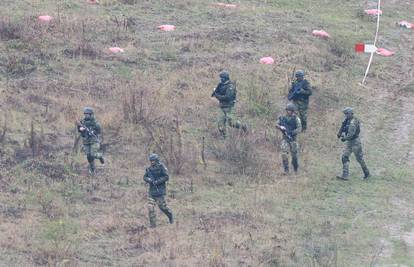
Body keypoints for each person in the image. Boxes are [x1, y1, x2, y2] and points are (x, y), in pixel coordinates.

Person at [336, 107, 370, 180]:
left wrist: (344, 138)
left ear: (351, 113)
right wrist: (339, 133)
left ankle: (367, 173)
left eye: (347, 113)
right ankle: (345, 175)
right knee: (344, 157)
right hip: (349, 143)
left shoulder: (353, 122)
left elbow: (351, 134)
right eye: (345, 114)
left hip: (355, 143)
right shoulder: (347, 120)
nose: (346, 115)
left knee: (359, 159)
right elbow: (343, 126)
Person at [211, 70, 247, 138]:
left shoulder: (230, 86)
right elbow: (217, 93)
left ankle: (243, 126)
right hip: (222, 106)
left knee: (231, 123)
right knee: (220, 123)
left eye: (222, 78)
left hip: (229, 107)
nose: (221, 79)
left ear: (225, 78)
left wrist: (217, 95)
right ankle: (223, 137)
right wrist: (215, 91)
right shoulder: (221, 85)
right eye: (220, 78)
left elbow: (227, 97)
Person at [143, 153, 173, 228]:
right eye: (151, 161)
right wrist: (149, 180)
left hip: (160, 191)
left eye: (153, 160)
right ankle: (153, 226)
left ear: (156, 160)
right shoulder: (149, 169)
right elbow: (144, 177)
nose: (152, 162)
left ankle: (170, 215)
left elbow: (166, 177)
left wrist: (158, 181)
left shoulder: (162, 167)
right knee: (150, 208)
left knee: (163, 207)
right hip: (152, 192)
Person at [77, 107, 104, 175]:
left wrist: (92, 131)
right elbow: (79, 129)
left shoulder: (95, 122)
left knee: (93, 154)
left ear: (91, 114)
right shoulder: (82, 122)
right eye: (85, 114)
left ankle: (100, 156)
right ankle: (92, 169)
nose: (86, 115)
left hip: (94, 141)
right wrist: (81, 129)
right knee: (89, 156)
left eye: (88, 114)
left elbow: (99, 131)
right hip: (86, 142)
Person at [276, 103, 302, 174]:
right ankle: (286, 170)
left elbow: (299, 129)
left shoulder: (296, 119)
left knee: (294, 156)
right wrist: (281, 127)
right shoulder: (282, 118)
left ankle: (295, 168)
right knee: (284, 154)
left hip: (293, 139)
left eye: (290, 110)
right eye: (287, 110)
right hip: (285, 139)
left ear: (293, 111)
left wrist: (292, 132)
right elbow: (277, 124)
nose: (288, 112)